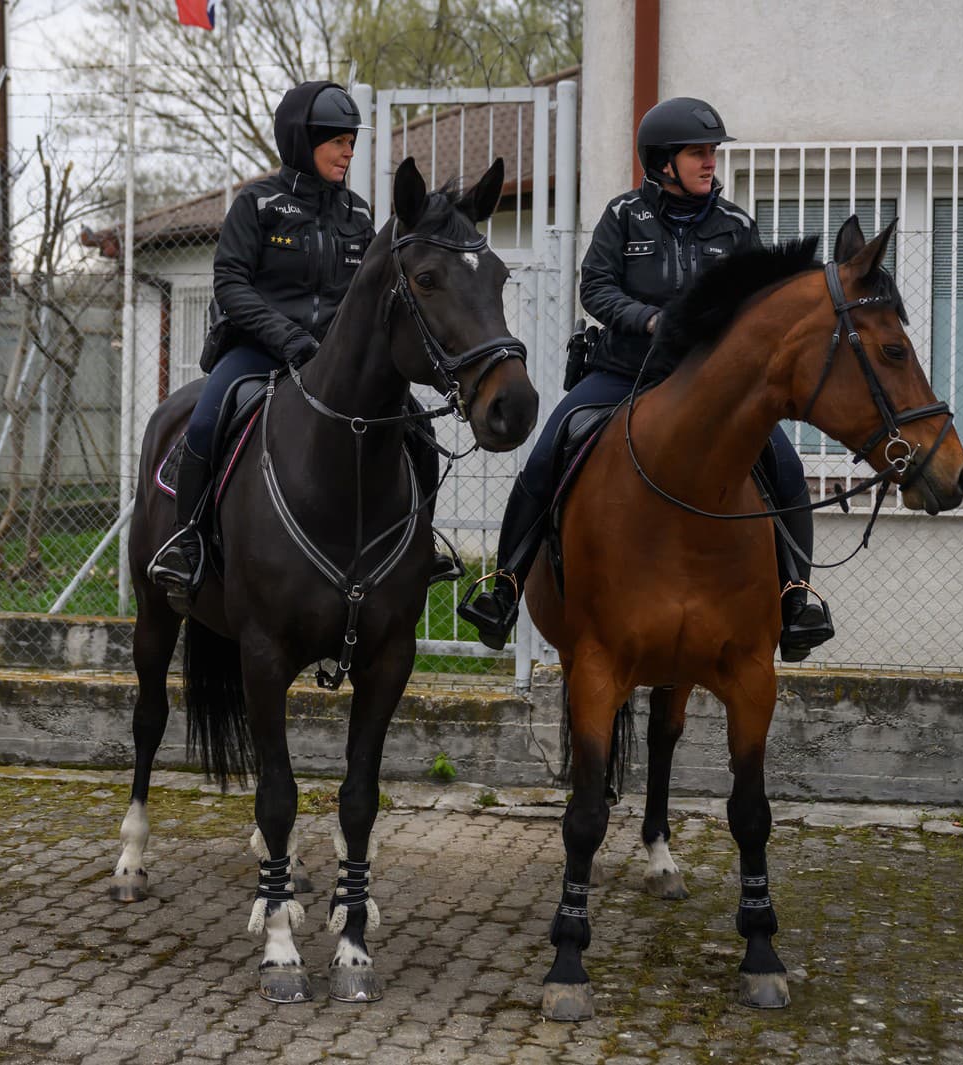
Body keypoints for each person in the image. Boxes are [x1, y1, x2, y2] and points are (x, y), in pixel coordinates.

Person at [457, 96, 835, 660]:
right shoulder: (622, 215)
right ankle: (505, 586)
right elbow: (596, 287)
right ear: (663, 162)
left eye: (712, 153)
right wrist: (651, 319)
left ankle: (797, 596)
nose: (710, 163)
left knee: (785, 465)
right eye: (698, 153)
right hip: (625, 371)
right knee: (547, 452)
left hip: (711, 385)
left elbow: (758, 307)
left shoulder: (736, 226)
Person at [149, 81, 456, 609]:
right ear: (300, 141)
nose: (348, 151)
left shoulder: (358, 216)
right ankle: (189, 540)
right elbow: (231, 285)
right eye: (336, 140)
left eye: (351, 141)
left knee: (419, 429)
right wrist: (286, 336)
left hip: (329, 359)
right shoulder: (257, 204)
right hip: (257, 350)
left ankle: (420, 541)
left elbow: (362, 298)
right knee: (205, 419)